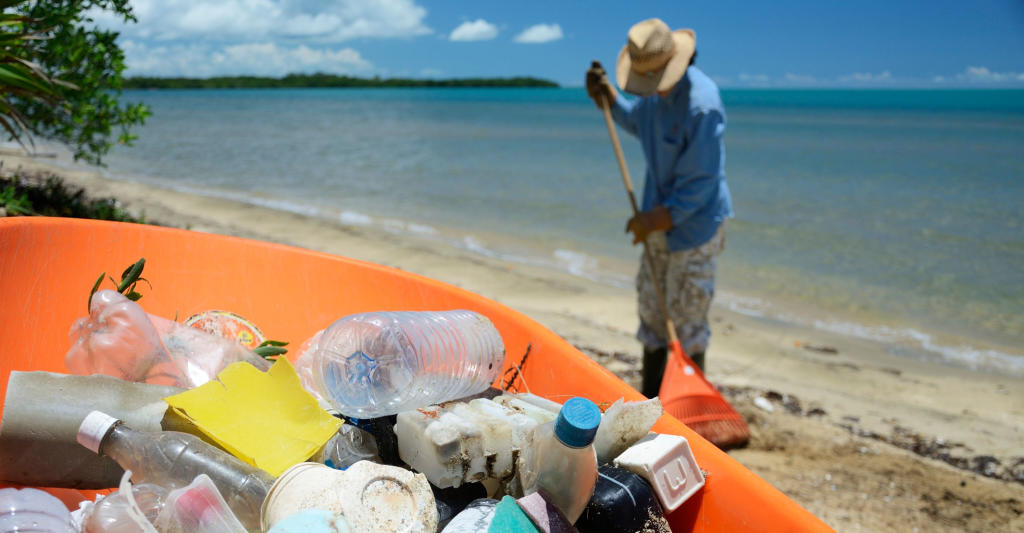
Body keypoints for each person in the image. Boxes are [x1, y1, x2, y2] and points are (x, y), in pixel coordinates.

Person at [585, 18, 733, 398]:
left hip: (694, 229)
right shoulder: (652, 97)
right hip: (656, 223)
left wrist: (654, 219)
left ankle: (688, 404)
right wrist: (609, 99)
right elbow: (638, 121)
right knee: (652, 313)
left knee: (687, 319)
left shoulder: (702, 104)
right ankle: (652, 398)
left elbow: (701, 183)